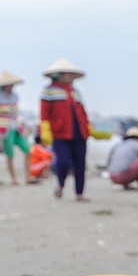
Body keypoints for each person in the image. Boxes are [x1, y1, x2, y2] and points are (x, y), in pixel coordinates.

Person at [40, 58, 91, 201]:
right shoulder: (48, 91)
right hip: (60, 133)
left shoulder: (75, 92)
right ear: (60, 75)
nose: (71, 78)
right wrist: (45, 129)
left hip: (79, 133)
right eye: (69, 75)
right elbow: (44, 112)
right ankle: (60, 184)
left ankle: (79, 193)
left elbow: (82, 112)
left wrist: (88, 127)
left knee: (80, 164)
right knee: (63, 162)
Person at [0, 71, 32, 185]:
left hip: (16, 127)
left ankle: (28, 176)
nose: (12, 86)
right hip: (4, 128)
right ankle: (13, 178)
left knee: (27, 150)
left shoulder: (15, 96)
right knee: (10, 154)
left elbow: (15, 113)